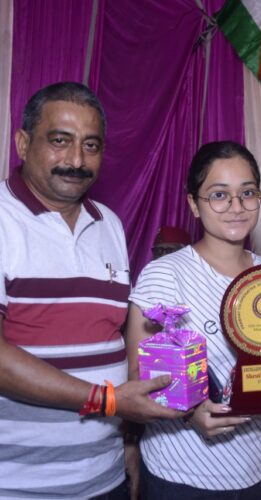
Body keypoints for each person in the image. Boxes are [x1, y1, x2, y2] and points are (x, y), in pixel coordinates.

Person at [0, 82, 183, 499]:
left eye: (91, 145)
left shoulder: (109, 225)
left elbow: (112, 342)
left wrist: (130, 441)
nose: (76, 160)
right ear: (23, 143)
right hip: (18, 485)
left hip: (105, 478)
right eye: (59, 141)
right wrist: (108, 400)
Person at [126, 141, 261, 499]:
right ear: (194, 204)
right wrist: (189, 413)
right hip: (181, 474)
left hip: (257, 468)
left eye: (247, 193)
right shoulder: (165, 275)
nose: (236, 207)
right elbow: (136, 376)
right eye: (219, 195)